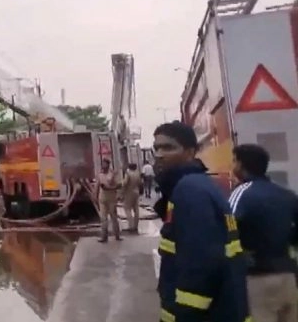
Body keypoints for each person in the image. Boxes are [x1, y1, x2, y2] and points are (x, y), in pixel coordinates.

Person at [153, 121, 249, 322]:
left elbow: (202, 267)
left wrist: (185, 315)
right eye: (157, 148)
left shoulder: (189, 191)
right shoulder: (196, 185)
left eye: (168, 147)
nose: (159, 154)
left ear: (190, 152)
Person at [228, 143, 298, 322]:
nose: (232, 165)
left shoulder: (241, 193)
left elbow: (227, 228)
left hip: (257, 279)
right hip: (288, 277)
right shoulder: (287, 195)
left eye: (234, 160)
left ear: (241, 165)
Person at [95, 158, 122, 243]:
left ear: (108, 165)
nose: (103, 166)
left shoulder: (112, 174)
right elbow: (97, 186)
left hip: (112, 199)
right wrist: (94, 195)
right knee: (103, 218)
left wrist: (110, 187)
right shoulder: (100, 175)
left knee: (114, 217)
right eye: (102, 164)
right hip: (102, 199)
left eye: (105, 164)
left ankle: (117, 235)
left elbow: (119, 185)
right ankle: (104, 237)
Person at [122, 163, 142, 233]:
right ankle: (136, 225)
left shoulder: (128, 173)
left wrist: (121, 191)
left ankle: (131, 226)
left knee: (127, 209)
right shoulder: (137, 173)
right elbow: (140, 183)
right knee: (136, 209)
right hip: (136, 192)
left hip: (129, 192)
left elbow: (125, 183)